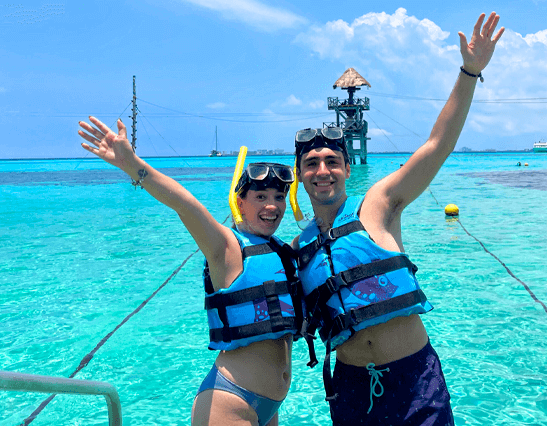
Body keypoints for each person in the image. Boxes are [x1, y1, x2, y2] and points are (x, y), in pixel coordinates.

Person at [291, 12, 504, 426]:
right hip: (350, 390)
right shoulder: (299, 251)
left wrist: (469, 72)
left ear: (347, 169)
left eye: (333, 161)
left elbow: (437, 145)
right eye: (311, 163)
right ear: (300, 174)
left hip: (414, 381)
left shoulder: (379, 204)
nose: (322, 171)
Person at [78, 116, 302, 426]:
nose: (272, 206)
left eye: (279, 197)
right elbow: (184, 203)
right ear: (240, 201)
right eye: (260, 197)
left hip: (270, 405)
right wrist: (133, 166)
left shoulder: (282, 251)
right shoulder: (227, 247)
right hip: (231, 401)